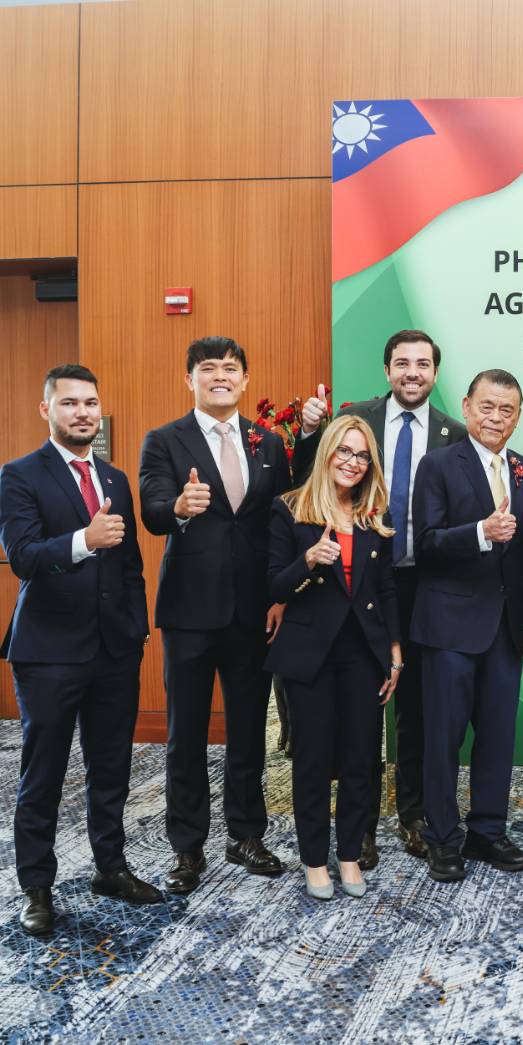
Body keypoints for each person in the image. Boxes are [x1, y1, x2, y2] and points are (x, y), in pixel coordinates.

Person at [293, 329, 463, 863]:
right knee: (360, 710)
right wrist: (308, 431)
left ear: (435, 373)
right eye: (402, 363)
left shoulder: (454, 435)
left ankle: (413, 814)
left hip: (425, 587)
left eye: (422, 364)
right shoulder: (354, 420)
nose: (412, 372)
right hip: (356, 586)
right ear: (387, 370)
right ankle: (359, 826)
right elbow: (307, 482)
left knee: (417, 707)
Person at [1, 365, 160, 934]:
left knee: (111, 766)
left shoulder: (114, 478)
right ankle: (36, 887)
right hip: (48, 651)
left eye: (90, 403)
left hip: (115, 650)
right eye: (69, 403)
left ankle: (110, 868)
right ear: (47, 411)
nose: (83, 412)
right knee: (42, 772)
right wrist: (81, 541)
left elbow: (131, 563)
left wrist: (137, 628)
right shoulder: (19, 475)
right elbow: (23, 556)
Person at [139, 336, 296, 893]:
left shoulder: (268, 442)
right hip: (189, 609)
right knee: (185, 733)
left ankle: (246, 834)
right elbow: (152, 510)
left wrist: (280, 595)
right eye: (209, 368)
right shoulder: (164, 440)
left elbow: (281, 523)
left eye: (231, 368)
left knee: (248, 728)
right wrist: (179, 508)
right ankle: (187, 846)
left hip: (253, 610)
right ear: (191, 380)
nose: (221, 376)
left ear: (245, 380)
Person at [412, 368, 523, 882]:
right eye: (486, 407)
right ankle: (442, 838)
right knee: (442, 738)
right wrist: (481, 533)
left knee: (498, 738)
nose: (495, 417)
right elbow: (425, 543)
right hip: (449, 626)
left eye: (506, 410)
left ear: (518, 417)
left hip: (506, 629)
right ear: (467, 408)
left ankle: (487, 832)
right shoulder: (438, 465)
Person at [265, 415, 402, 899]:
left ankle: (348, 856)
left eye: (362, 455)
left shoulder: (372, 516)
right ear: (326, 453)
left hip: (363, 654)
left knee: (361, 759)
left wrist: (395, 651)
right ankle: (313, 860)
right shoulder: (290, 508)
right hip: (309, 656)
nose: (352, 462)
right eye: (344, 451)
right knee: (313, 760)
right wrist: (307, 561)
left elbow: (386, 589)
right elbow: (272, 586)